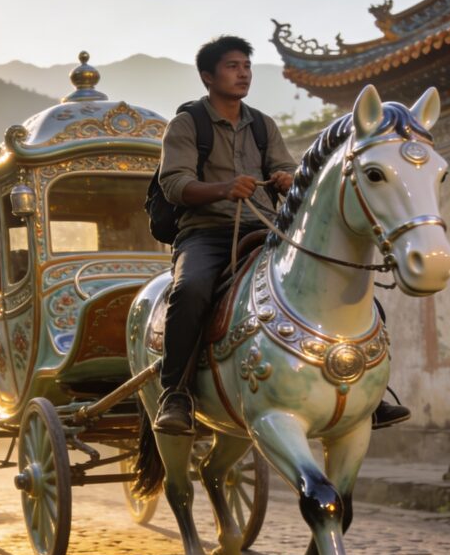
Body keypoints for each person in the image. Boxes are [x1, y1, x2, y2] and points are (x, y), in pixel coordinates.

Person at [153, 35, 409, 434]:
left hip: (264, 228)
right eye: (232, 67)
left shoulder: (262, 125)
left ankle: (371, 396)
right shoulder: (187, 125)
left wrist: (289, 179)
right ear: (208, 76)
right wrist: (223, 188)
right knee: (190, 291)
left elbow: (290, 172)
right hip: (205, 234)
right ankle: (175, 394)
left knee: (351, 290)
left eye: (247, 66)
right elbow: (174, 184)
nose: (243, 74)